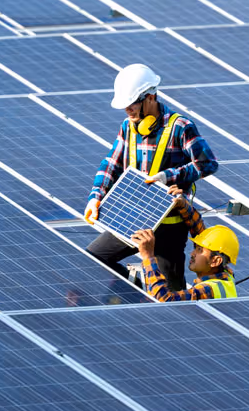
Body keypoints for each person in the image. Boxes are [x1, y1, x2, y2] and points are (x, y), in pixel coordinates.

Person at [85, 63, 219, 290]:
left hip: (169, 227)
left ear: (150, 97)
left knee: (170, 294)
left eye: (132, 104)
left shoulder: (180, 127)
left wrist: (169, 177)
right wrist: (95, 196)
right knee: (91, 258)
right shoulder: (128, 127)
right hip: (132, 219)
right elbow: (111, 163)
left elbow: (208, 164)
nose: (128, 110)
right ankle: (133, 286)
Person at [132, 219, 239, 302]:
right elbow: (199, 230)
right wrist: (183, 204)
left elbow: (163, 300)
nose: (192, 253)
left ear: (216, 261)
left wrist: (148, 257)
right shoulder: (226, 277)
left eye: (199, 250)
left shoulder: (209, 290)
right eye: (196, 248)